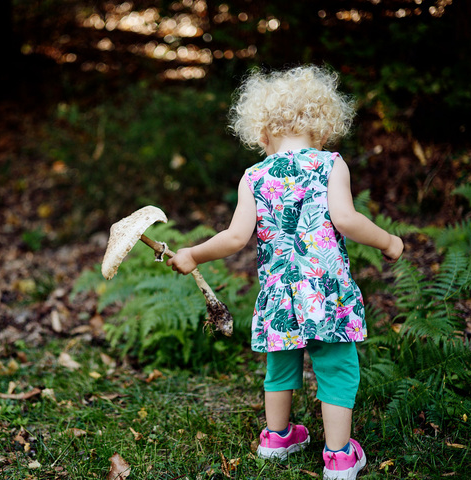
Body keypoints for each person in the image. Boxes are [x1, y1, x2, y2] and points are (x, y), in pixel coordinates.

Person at [166, 65, 404, 480]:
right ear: (323, 128)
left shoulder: (254, 176)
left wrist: (193, 254)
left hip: (279, 295)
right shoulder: (331, 164)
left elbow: (234, 237)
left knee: (280, 367)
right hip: (325, 292)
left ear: (261, 133)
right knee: (337, 368)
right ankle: (339, 457)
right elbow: (346, 220)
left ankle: (277, 438)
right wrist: (388, 241)